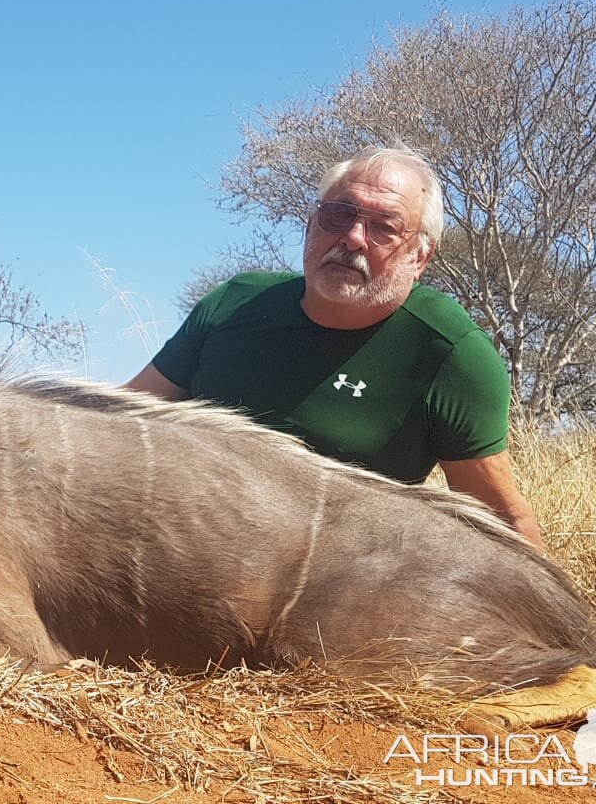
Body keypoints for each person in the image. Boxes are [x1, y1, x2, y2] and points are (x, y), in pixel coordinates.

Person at [126, 145, 545, 551]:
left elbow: (502, 521)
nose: (354, 238)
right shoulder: (234, 303)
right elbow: (126, 421)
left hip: (332, 590)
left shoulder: (453, 353)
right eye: (339, 214)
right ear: (312, 225)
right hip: (178, 552)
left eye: (385, 227)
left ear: (421, 258)